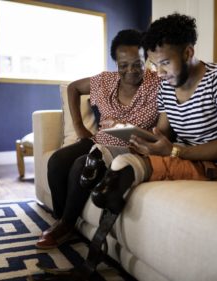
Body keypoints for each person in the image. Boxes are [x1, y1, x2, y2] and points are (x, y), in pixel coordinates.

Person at [90, 13, 217, 210]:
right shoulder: (166, 87)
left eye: (165, 63)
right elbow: (162, 134)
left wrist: (174, 151)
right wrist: (125, 129)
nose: (160, 73)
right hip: (179, 153)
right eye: (155, 65)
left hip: (212, 165)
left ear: (188, 53)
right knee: (103, 156)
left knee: (123, 170)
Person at [36, 29, 161, 249]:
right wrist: (78, 126)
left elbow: (162, 133)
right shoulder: (105, 81)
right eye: (123, 65)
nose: (130, 71)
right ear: (116, 63)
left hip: (130, 148)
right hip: (98, 140)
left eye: (137, 64)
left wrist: (126, 129)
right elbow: (74, 88)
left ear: (146, 60)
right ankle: (63, 219)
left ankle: (65, 225)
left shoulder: (158, 86)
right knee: (57, 162)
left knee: (81, 165)